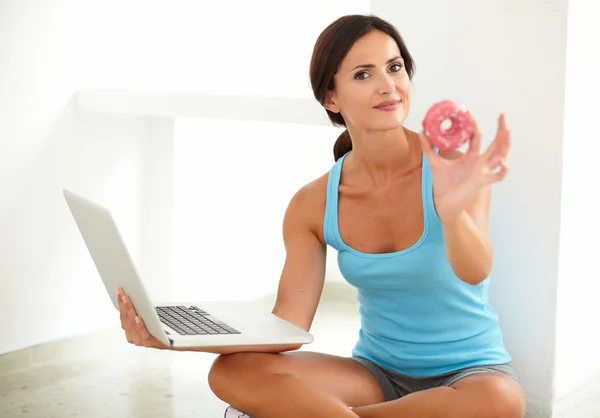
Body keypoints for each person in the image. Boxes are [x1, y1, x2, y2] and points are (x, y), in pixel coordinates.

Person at [117, 14, 527, 418]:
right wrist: (169, 336)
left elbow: (475, 270)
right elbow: (287, 327)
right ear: (330, 98)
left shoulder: (453, 170)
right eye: (363, 75)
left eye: (395, 67)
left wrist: (453, 214)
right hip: (374, 377)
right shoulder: (312, 203)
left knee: (502, 401)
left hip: (468, 377)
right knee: (232, 372)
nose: (388, 86)